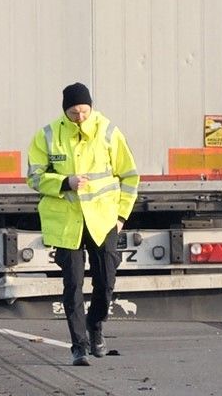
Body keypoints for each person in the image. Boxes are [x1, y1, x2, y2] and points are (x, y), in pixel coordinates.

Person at [26, 82, 139, 366]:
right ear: (65, 112)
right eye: (74, 113)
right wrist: (65, 182)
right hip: (67, 225)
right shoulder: (48, 135)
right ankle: (79, 346)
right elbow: (34, 177)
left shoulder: (108, 132)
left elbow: (129, 176)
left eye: (84, 111)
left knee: (106, 283)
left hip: (102, 222)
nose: (80, 118)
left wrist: (122, 216)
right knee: (73, 285)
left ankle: (95, 325)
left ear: (92, 107)